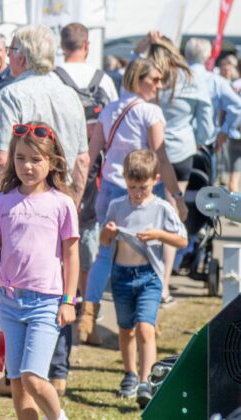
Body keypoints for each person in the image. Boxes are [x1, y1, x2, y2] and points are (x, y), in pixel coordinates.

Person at [0, 25, 89, 397]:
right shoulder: (70, 94)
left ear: (21, 56)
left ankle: (24, 374)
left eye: (10, 50)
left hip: (21, 202)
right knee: (58, 286)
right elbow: (84, 158)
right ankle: (54, 373)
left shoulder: (11, 93)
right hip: (63, 200)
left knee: (25, 281)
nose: (8, 57)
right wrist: (72, 200)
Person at [0, 121, 79, 420]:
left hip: (45, 303)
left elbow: (71, 256)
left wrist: (69, 300)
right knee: (18, 383)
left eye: (36, 160)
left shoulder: (61, 204)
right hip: (9, 304)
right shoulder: (3, 202)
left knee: (34, 378)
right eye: (20, 158)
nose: (27, 166)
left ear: (52, 162)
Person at [79, 58, 186, 346]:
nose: (159, 85)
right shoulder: (150, 112)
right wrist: (176, 196)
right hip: (140, 191)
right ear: (138, 79)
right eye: (155, 79)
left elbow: (91, 154)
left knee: (104, 254)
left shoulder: (110, 109)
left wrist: (77, 191)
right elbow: (161, 158)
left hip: (109, 189)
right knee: (148, 252)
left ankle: (89, 313)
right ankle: (147, 315)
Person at [101, 149, 186, 409]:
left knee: (145, 329)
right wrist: (108, 232)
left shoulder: (161, 208)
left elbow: (181, 240)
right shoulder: (117, 206)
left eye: (143, 187)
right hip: (122, 275)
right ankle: (129, 374)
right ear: (125, 180)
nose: (137, 193)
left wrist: (159, 234)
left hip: (149, 275)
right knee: (125, 329)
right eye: (132, 186)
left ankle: (146, 380)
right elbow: (105, 242)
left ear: (156, 180)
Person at [139, 33, 213, 303]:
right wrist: (202, 139)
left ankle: (144, 277)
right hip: (180, 149)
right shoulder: (190, 78)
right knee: (170, 217)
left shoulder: (145, 74)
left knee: (143, 213)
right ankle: (165, 284)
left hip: (147, 149)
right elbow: (205, 120)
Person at [54, 23, 118, 316]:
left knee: (57, 233)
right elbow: (113, 120)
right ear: (87, 45)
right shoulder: (102, 80)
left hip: (56, 165)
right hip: (93, 168)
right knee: (88, 232)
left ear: (61, 44)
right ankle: (86, 304)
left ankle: (62, 294)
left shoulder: (53, 77)